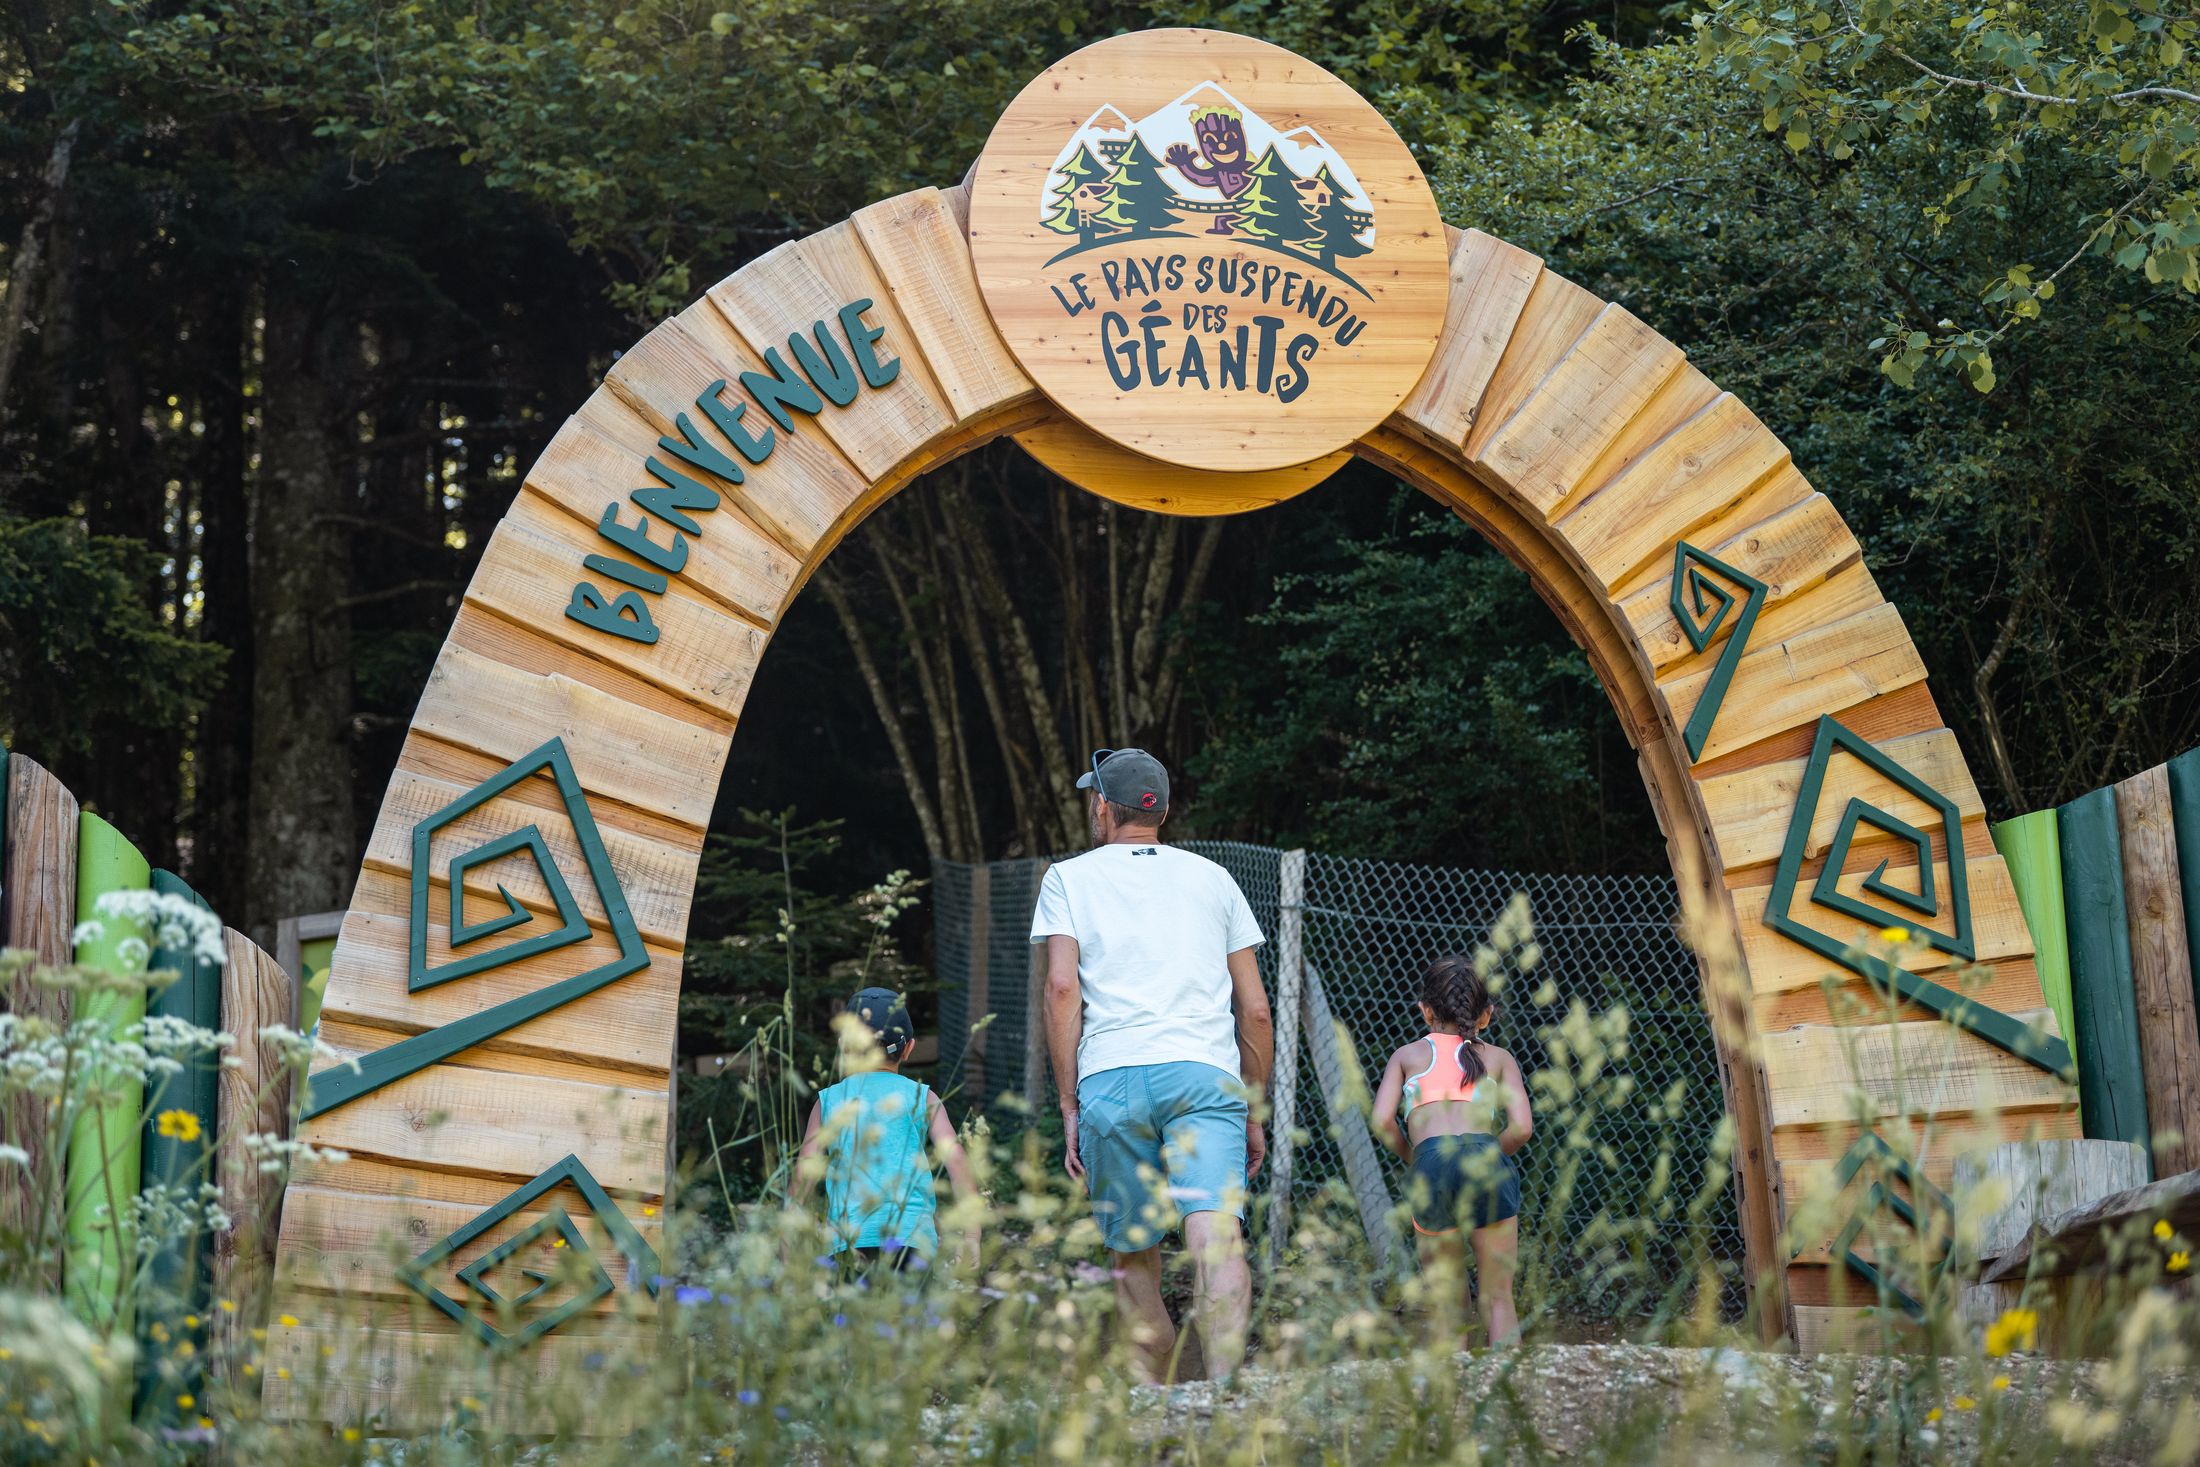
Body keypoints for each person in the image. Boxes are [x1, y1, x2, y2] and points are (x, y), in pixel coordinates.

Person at [1032, 747, 1274, 1383]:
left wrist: (1068, 1104)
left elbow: (1061, 991)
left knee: (1133, 1259)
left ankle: (1156, 1414)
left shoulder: (1068, 878)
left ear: (1106, 807)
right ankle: (1226, 1399)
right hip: (1205, 1076)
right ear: (1160, 810)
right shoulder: (1214, 879)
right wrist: (1253, 1105)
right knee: (1215, 1238)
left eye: (1094, 797)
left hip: (1112, 1077)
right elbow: (1255, 1012)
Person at [1371, 954, 1533, 1346]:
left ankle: (1449, 1402)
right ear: (1486, 1015)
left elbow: (1381, 1122)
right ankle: (1506, 1394)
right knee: (1498, 1298)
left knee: (1448, 1304)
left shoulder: (1407, 1057)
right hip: (1486, 1161)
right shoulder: (1497, 1058)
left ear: (1425, 1011)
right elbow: (1523, 1128)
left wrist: (1415, 1157)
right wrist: (1491, 1151)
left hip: (1431, 1165)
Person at [790, 986, 980, 1270]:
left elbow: (805, 1171)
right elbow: (956, 1161)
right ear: (909, 1048)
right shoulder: (923, 1096)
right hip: (913, 1241)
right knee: (913, 1314)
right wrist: (972, 1236)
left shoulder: (829, 1100)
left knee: (850, 1315)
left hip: (847, 1242)